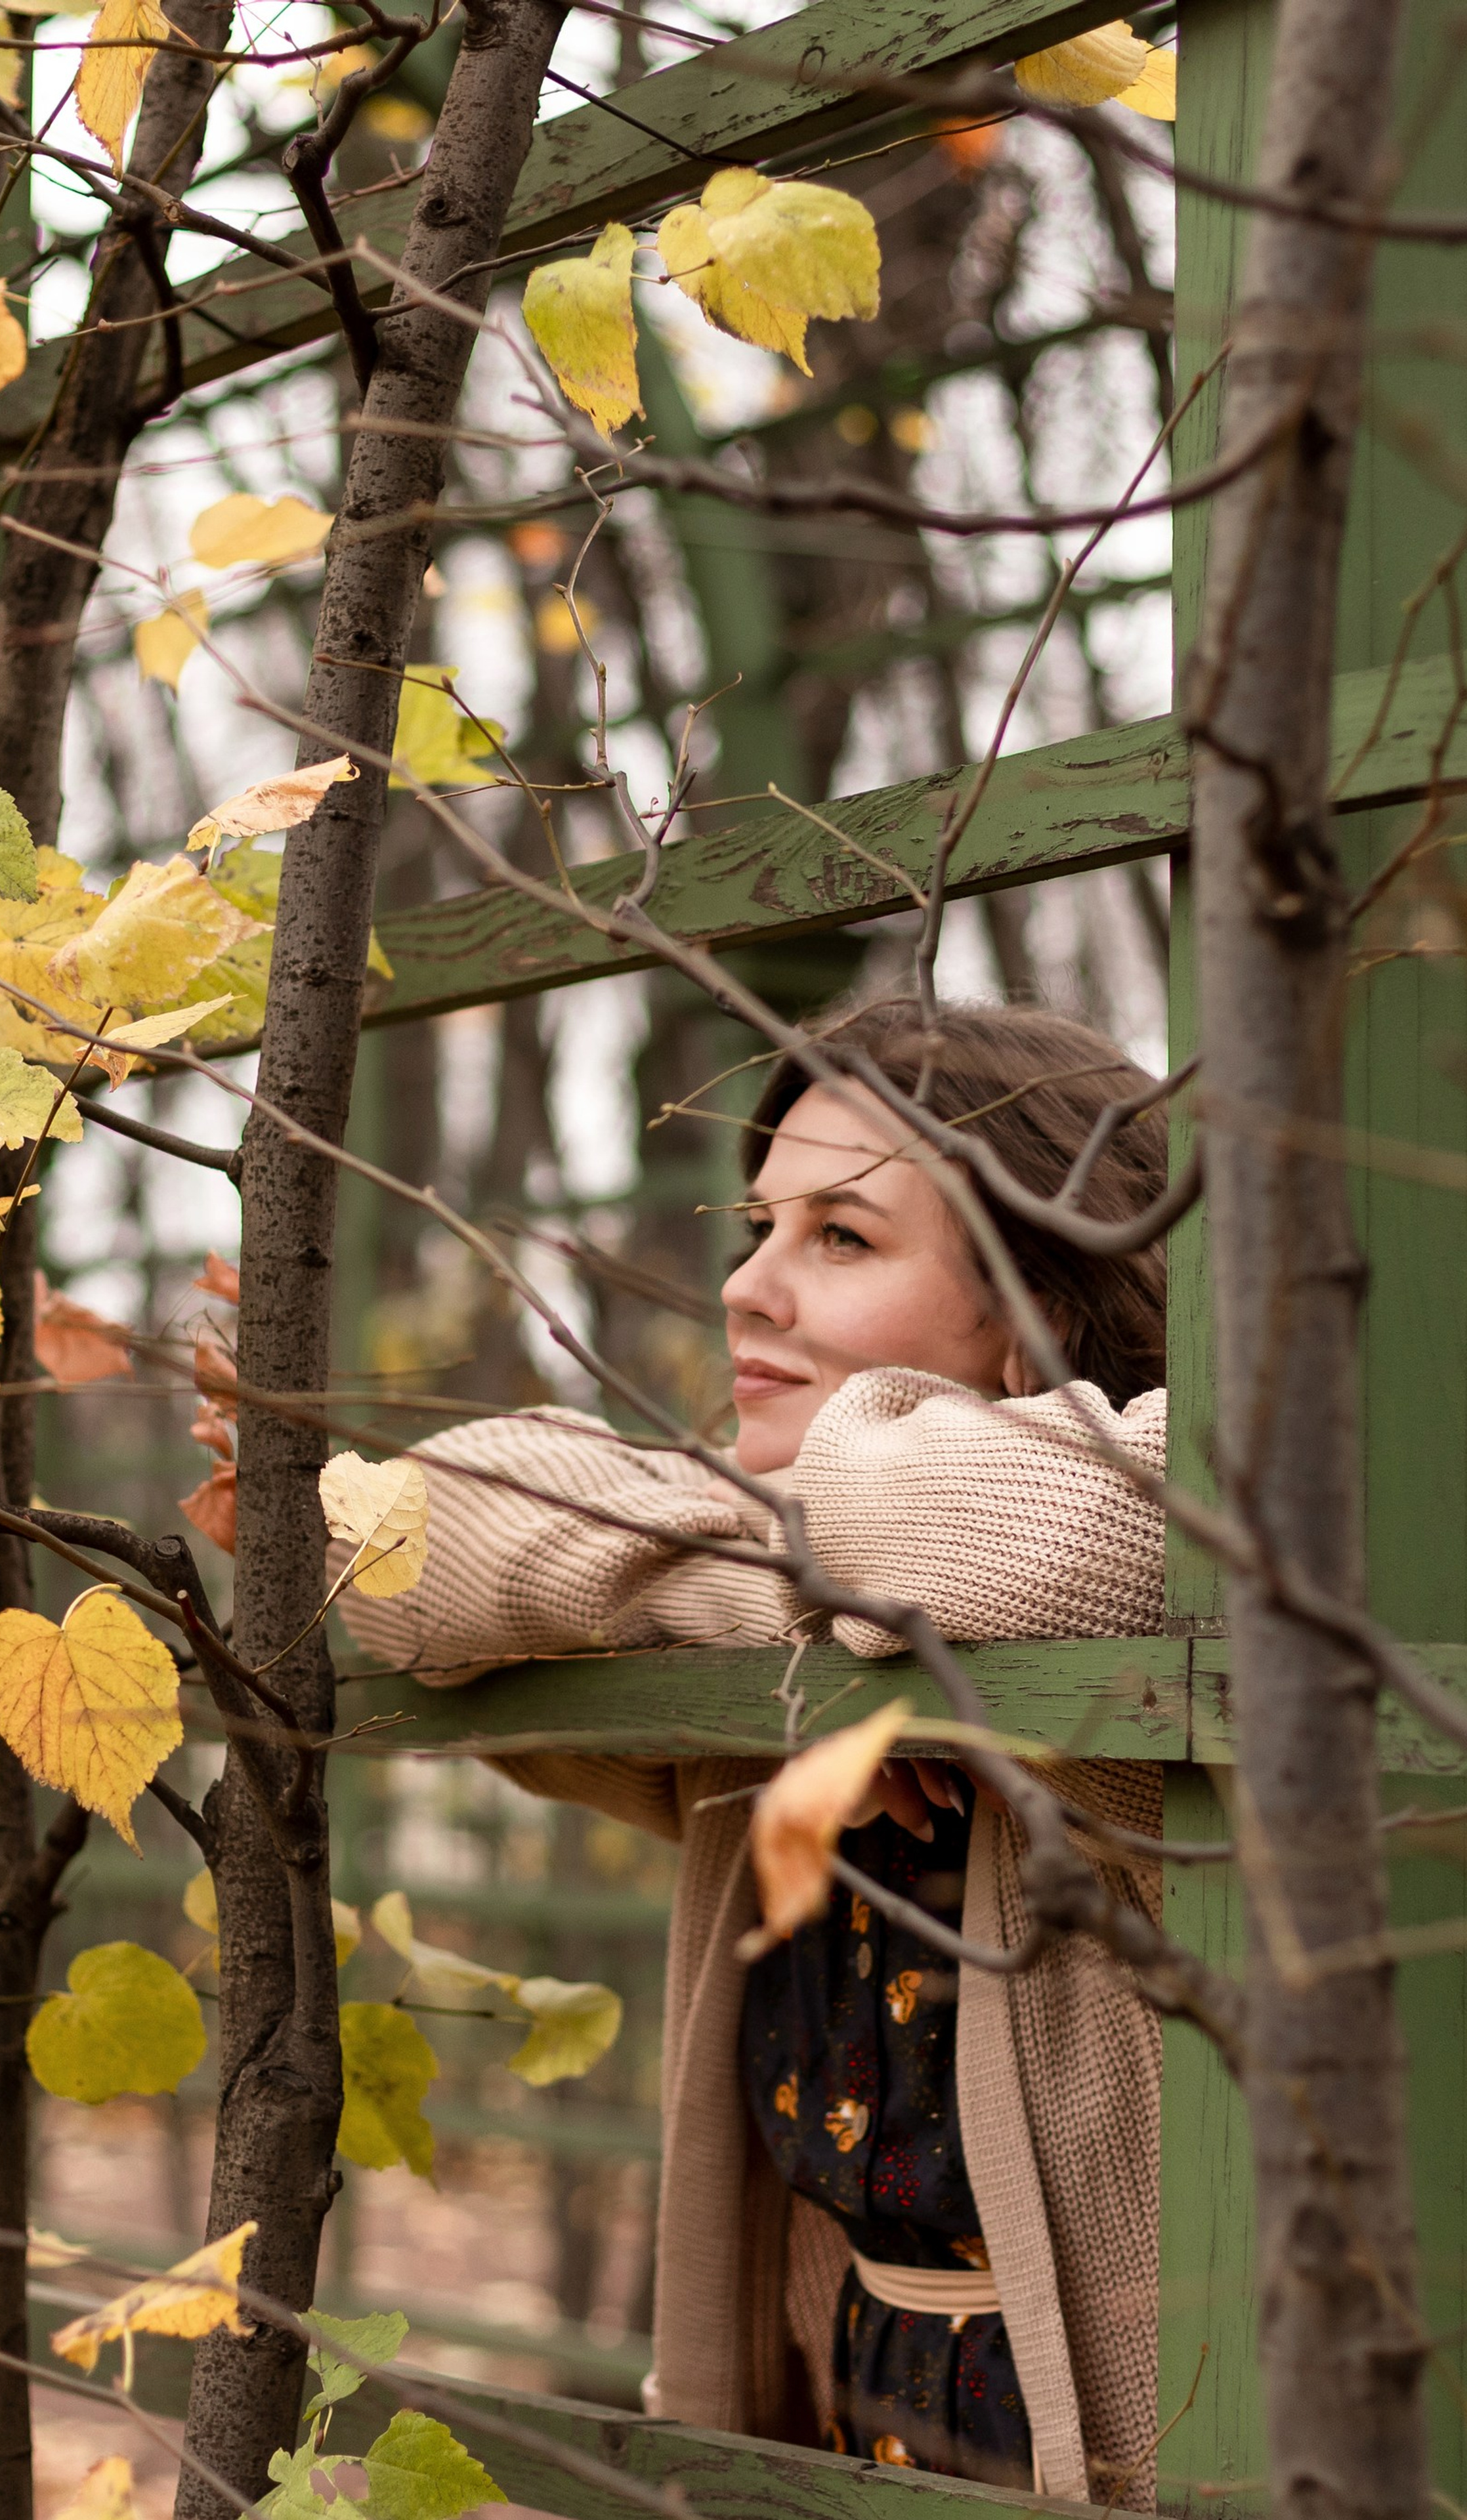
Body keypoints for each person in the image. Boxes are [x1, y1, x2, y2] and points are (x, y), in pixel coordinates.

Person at [335, 999, 1170, 2510]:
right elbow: (404, 1536)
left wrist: (848, 1564)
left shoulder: (1166, 1567)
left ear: (1032, 1303)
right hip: (839, 2448)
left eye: (839, 1238)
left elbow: (997, 1532)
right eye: (755, 1225)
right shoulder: (789, 1680)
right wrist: (822, 1636)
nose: (743, 1288)